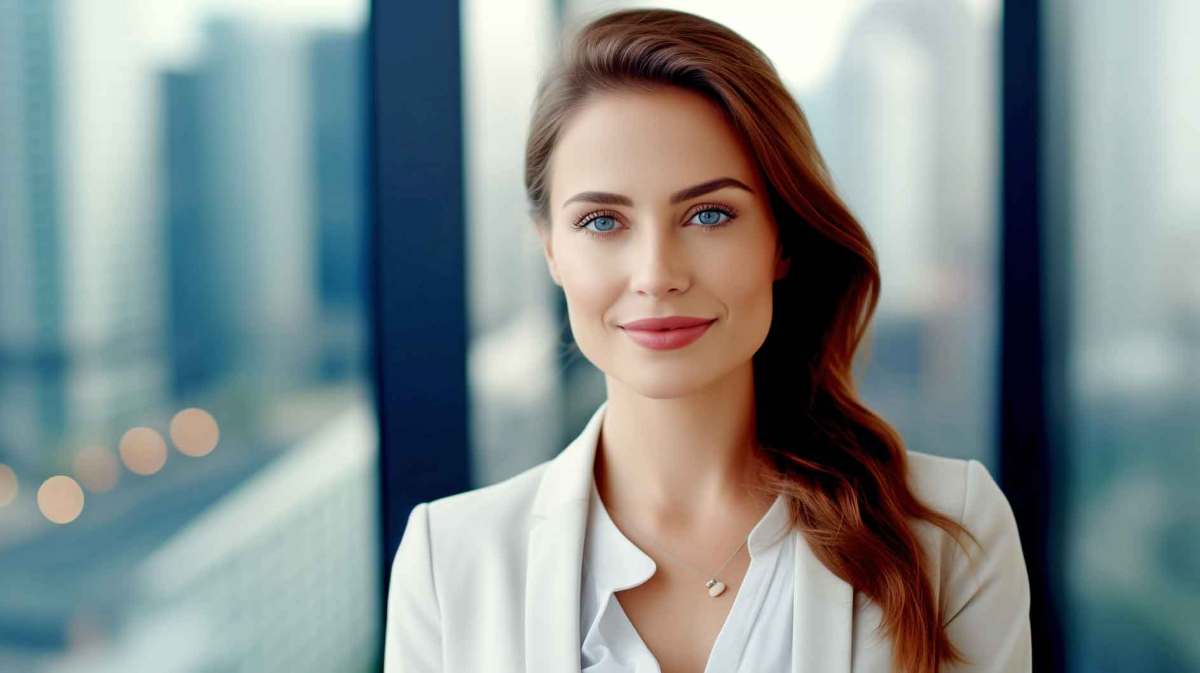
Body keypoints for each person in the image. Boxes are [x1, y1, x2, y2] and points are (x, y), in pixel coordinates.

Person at [384, 7, 1031, 673]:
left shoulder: (947, 532)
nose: (657, 274)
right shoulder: (449, 562)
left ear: (781, 239)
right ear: (550, 249)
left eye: (710, 214)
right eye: (603, 221)